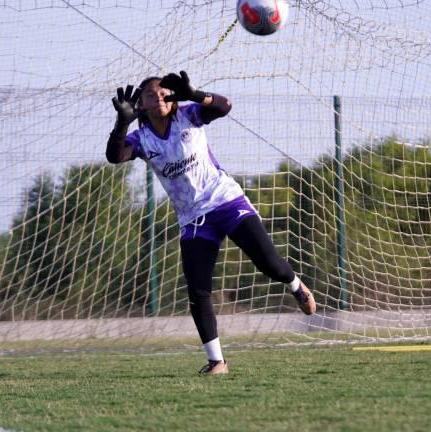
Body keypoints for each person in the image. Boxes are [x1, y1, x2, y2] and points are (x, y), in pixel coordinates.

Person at [105, 71, 316, 375]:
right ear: (141, 105)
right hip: (193, 219)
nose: (160, 97)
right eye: (151, 95)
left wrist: (194, 93)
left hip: (226, 201)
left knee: (270, 265)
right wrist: (122, 121)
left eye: (164, 92)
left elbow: (224, 106)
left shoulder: (188, 114)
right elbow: (115, 155)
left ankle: (296, 285)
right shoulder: (141, 138)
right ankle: (217, 361)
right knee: (197, 288)